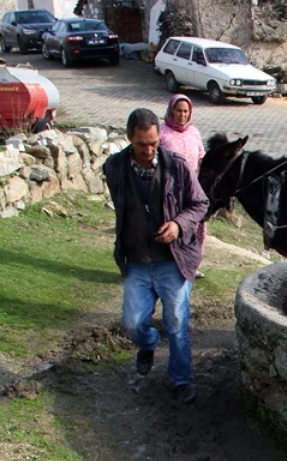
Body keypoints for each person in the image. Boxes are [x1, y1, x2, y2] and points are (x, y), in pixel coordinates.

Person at [103, 107, 209, 404]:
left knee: (176, 322)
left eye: (153, 143)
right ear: (129, 139)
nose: (149, 150)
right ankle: (147, 345)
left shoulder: (176, 166)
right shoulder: (114, 167)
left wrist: (178, 224)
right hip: (137, 260)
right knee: (134, 323)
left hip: (172, 260)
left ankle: (181, 380)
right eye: (141, 144)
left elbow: (200, 204)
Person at [158, 93, 207, 278]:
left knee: (195, 227)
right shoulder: (162, 132)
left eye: (186, 111)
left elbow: (201, 157)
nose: (182, 115)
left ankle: (191, 264)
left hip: (192, 188)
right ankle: (171, 264)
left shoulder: (194, 132)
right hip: (170, 189)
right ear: (171, 110)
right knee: (175, 224)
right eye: (178, 110)